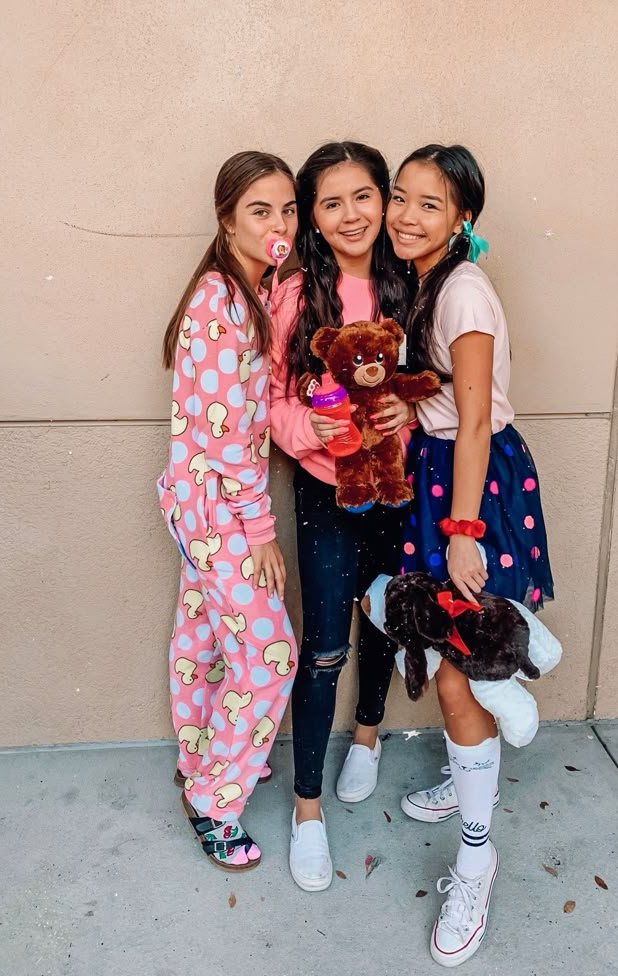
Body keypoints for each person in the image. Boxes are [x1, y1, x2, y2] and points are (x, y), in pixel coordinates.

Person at [386, 144, 554, 964]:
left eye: (429, 204)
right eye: (401, 197)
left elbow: (477, 420)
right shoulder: (425, 282)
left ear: (463, 220)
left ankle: (477, 865)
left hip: (472, 491)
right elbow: (439, 401)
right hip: (442, 475)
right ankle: (470, 763)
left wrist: (461, 533)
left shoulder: (465, 293)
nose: (406, 215)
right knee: (453, 651)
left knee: (460, 663)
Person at [269, 141, 414, 891]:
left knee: (386, 614)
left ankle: (368, 735)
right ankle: (306, 808)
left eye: (364, 196)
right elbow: (271, 398)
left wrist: (405, 413)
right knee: (325, 644)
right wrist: (306, 431)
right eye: (332, 202)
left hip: (396, 485)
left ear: (384, 201)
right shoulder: (297, 293)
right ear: (313, 218)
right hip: (326, 491)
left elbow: (433, 384)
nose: (352, 214)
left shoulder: (409, 281)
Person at [157, 151, 299, 871]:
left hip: (197, 503)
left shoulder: (250, 292)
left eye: (287, 210)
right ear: (227, 220)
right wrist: (260, 530)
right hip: (217, 510)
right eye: (260, 211)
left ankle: (197, 761)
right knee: (273, 658)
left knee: (204, 638)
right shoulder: (220, 302)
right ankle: (216, 801)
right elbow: (227, 435)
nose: (279, 224)